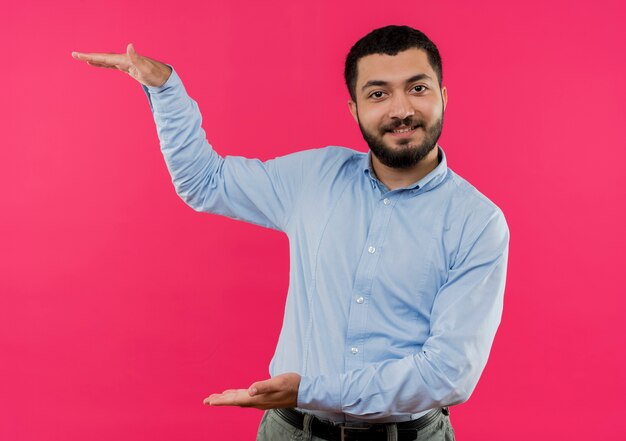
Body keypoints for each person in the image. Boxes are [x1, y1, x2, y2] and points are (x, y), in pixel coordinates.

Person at [72, 25, 509, 441]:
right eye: (378, 94)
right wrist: (166, 88)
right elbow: (206, 183)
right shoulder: (315, 176)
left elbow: (447, 373)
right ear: (354, 109)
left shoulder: (477, 222)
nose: (401, 110)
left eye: (418, 88)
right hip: (290, 431)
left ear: (443, 96)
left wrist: (311, 390)